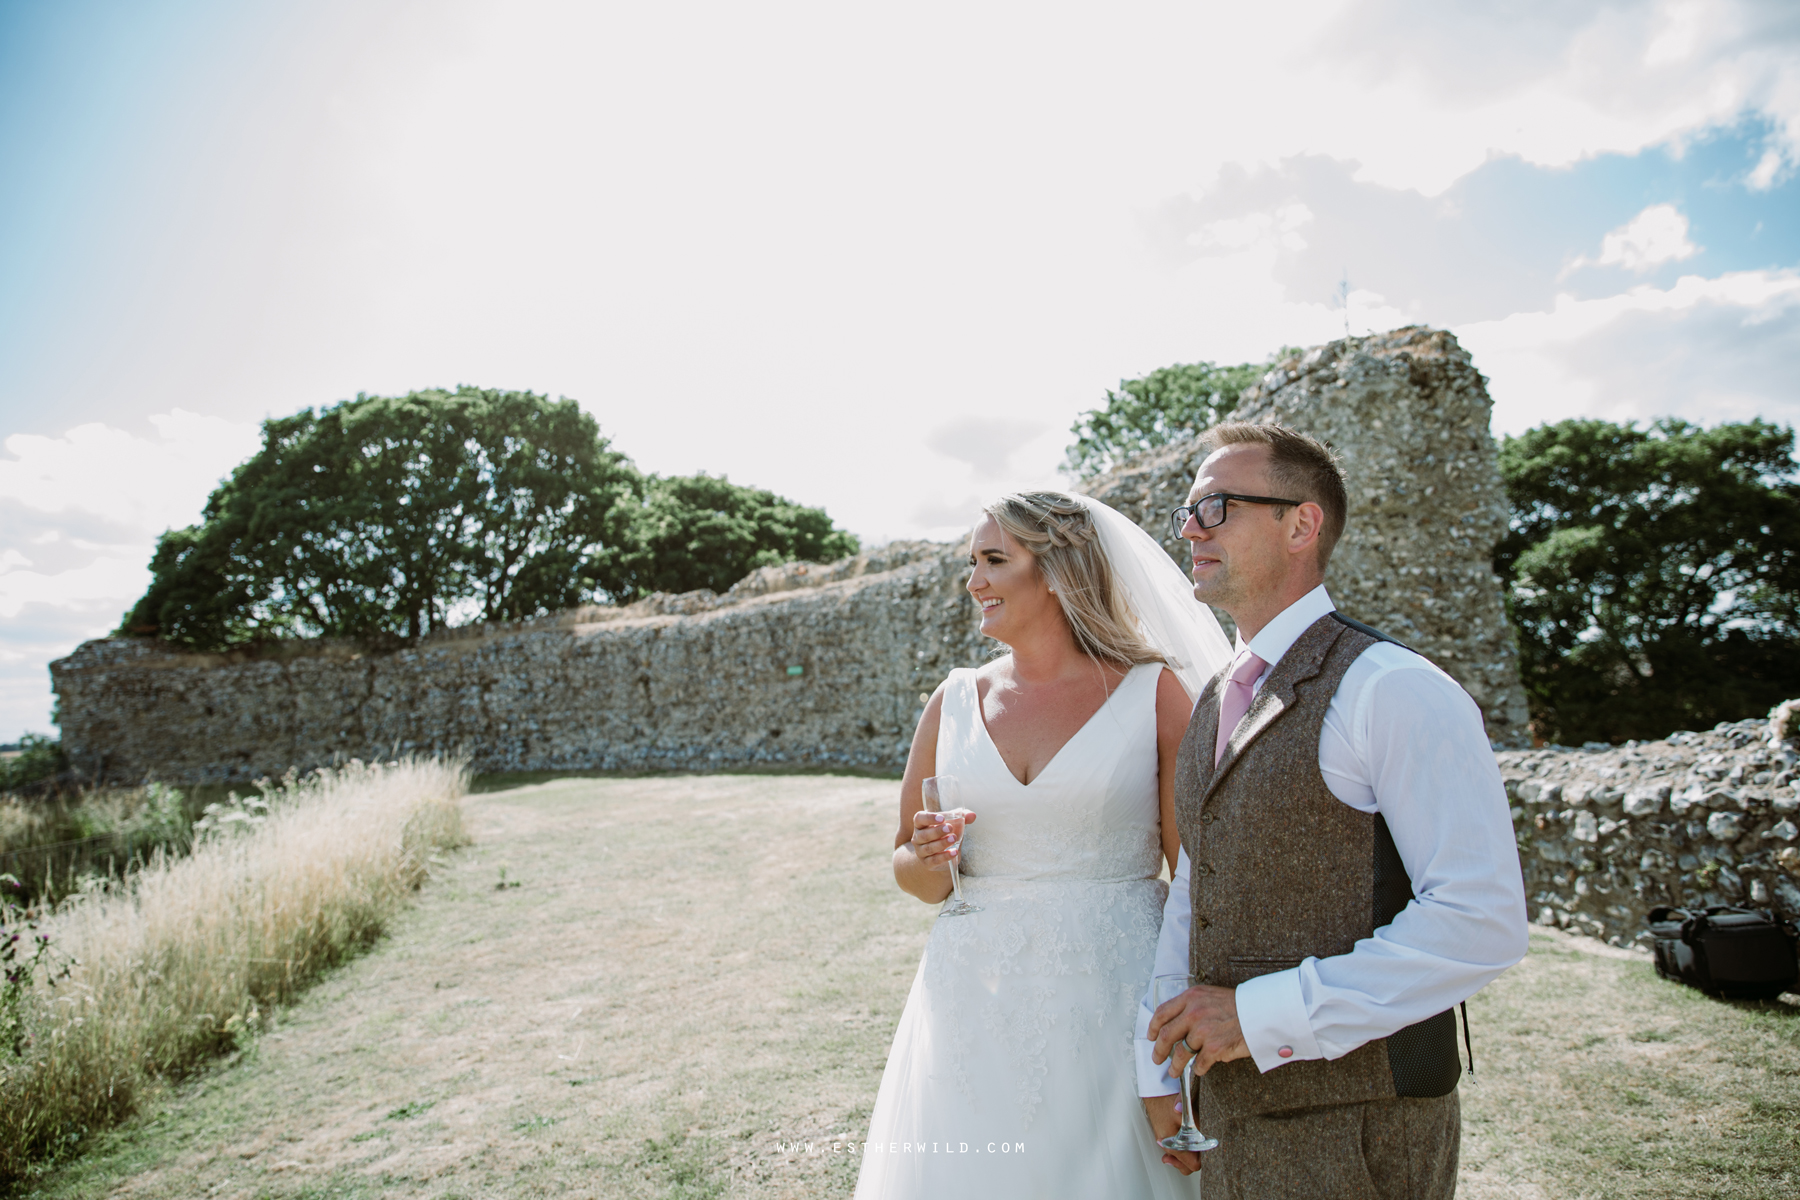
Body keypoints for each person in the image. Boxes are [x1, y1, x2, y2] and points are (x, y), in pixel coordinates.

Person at [1138, 422, 1530, 1197]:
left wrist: (1261, 1016)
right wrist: (1156, 1062)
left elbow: (1480, 920)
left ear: (1301, 524)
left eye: (1215, 507)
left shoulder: (1392, 687)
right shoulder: (1218, 696)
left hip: (1360, 1124)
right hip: (1231, 1119)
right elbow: (1197, 885)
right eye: (1186, 510)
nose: (1188, 527)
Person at [855, 491, 1232, 1199]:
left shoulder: (1155, 694)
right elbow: (911, 872)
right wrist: (928, 857)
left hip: (1116, 996)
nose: (974, 581)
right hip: (971, 1007)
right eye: (972, 562)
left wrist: (1172, 1052)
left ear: (1059, 571)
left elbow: (1196, 883)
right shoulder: (953, 700)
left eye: (995, 560)